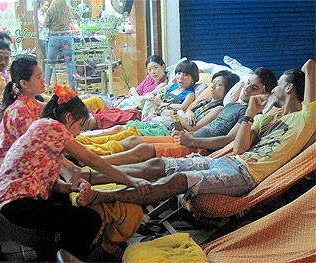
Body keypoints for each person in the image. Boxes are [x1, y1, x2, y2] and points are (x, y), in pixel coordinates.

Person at [74, 59, 316, 207]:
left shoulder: (305, 119)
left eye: (278, 85)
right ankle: (88, 176)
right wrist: (251, 112)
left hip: (248, 175)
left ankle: (100, 196)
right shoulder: (266, 117)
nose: (273, 90)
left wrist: (190, 135)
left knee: (176, 180)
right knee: (157, 164)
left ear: (290, 87)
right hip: (231, 160)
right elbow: (241, 148)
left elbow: (310, 66)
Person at [0, 86, 152, 260]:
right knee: (89, 220)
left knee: (67, 204)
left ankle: (58, 252)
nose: (79, 132)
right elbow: (93, 160)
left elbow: (48, 181)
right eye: (80, 125)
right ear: (68, 118)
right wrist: (130, 180)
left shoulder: (43, 124)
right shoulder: (54, 128)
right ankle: (65, 258)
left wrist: (71, 188)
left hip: (10, 198)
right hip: (16, 205)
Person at [100, 67, 276, 165]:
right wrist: (187, 133)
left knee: (142, 148)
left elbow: (228, 140)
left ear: (265, 95)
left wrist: (191, 140)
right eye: (247, 84)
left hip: (197, 148)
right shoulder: (232, 105)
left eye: (254, 88)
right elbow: (202, 126)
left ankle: (96, 166)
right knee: (134, 140)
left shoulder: (250, 116)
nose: (246, 89)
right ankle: (93, 158)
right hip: (187, 138)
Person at [0, 55, 45, 180]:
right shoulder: (20, 111)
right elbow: (30, 151)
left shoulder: (28, 101)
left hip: (16, 162)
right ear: (24, 83)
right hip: (6, 172)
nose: (43, 81)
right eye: (39, 77)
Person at [44, 0, 77, 88]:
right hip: (66, 36)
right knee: (69, 62)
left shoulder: (50, 10)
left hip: (54, 37)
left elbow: (46, 24)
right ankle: (72, 84)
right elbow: (70, 20)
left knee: (50, 61)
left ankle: (46, 84)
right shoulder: (67, 9)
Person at [37, 0, 50, 74]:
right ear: (41, 5)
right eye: (45, 5)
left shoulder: (45, 14)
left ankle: (46, 74)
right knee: (46, 57)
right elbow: (44, 23)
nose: (47, 7)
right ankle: (45, 74)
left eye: (47, 6)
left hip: (48, 37)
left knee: (47, 57)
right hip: (42, 38)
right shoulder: (37, 14)